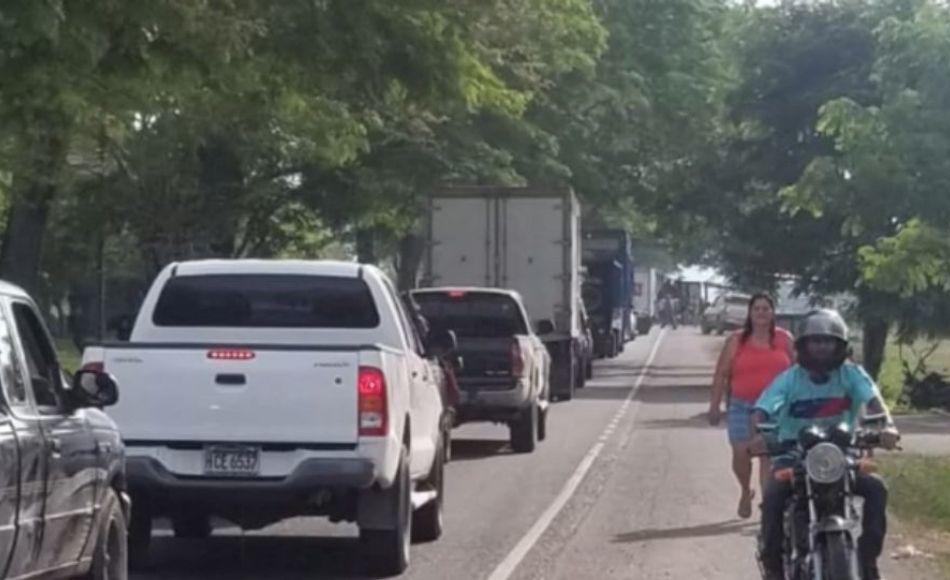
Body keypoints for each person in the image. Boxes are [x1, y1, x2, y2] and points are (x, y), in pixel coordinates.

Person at [751, 309, 900, 580]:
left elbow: (874, 403)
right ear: (803, 345)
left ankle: (868, 559)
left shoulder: (851, 375)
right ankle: (773, 568)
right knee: (773, 495)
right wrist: (759, 432)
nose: (821, 347)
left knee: (876, 488)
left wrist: (886, 427)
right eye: (815, 341)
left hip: (840, 455)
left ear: (840, 345)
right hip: (794, 455)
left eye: (828, 341)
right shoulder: (790, 379)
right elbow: (764, 408)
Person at [709, 293, 794, 519]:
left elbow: (798, 373)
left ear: (773, 313)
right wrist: (714, 406)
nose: (761, 313)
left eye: (766, 309)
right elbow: (721, 374)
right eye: (757, 309)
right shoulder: (736, 340)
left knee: (768, 456)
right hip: (741, 406)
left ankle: (768, 509)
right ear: (750, 313)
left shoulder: (784, 339)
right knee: (741, 453)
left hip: (776, 409)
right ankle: (746, 491)